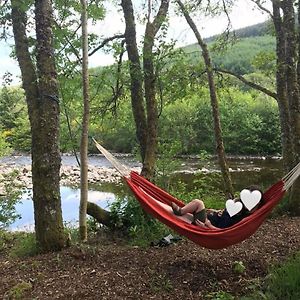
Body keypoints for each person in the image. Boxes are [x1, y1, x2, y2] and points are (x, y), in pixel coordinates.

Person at [171, 185, 263, 229]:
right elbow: (226, 215)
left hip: (204, 224)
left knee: (198, 203)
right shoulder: (241, 208)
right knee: (197, 204)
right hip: (209, 218)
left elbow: (226, 233)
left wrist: (208, 226)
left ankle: (180, 211)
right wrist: (216, 211)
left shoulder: (247, 218)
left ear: (257, 202)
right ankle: (181, 211)